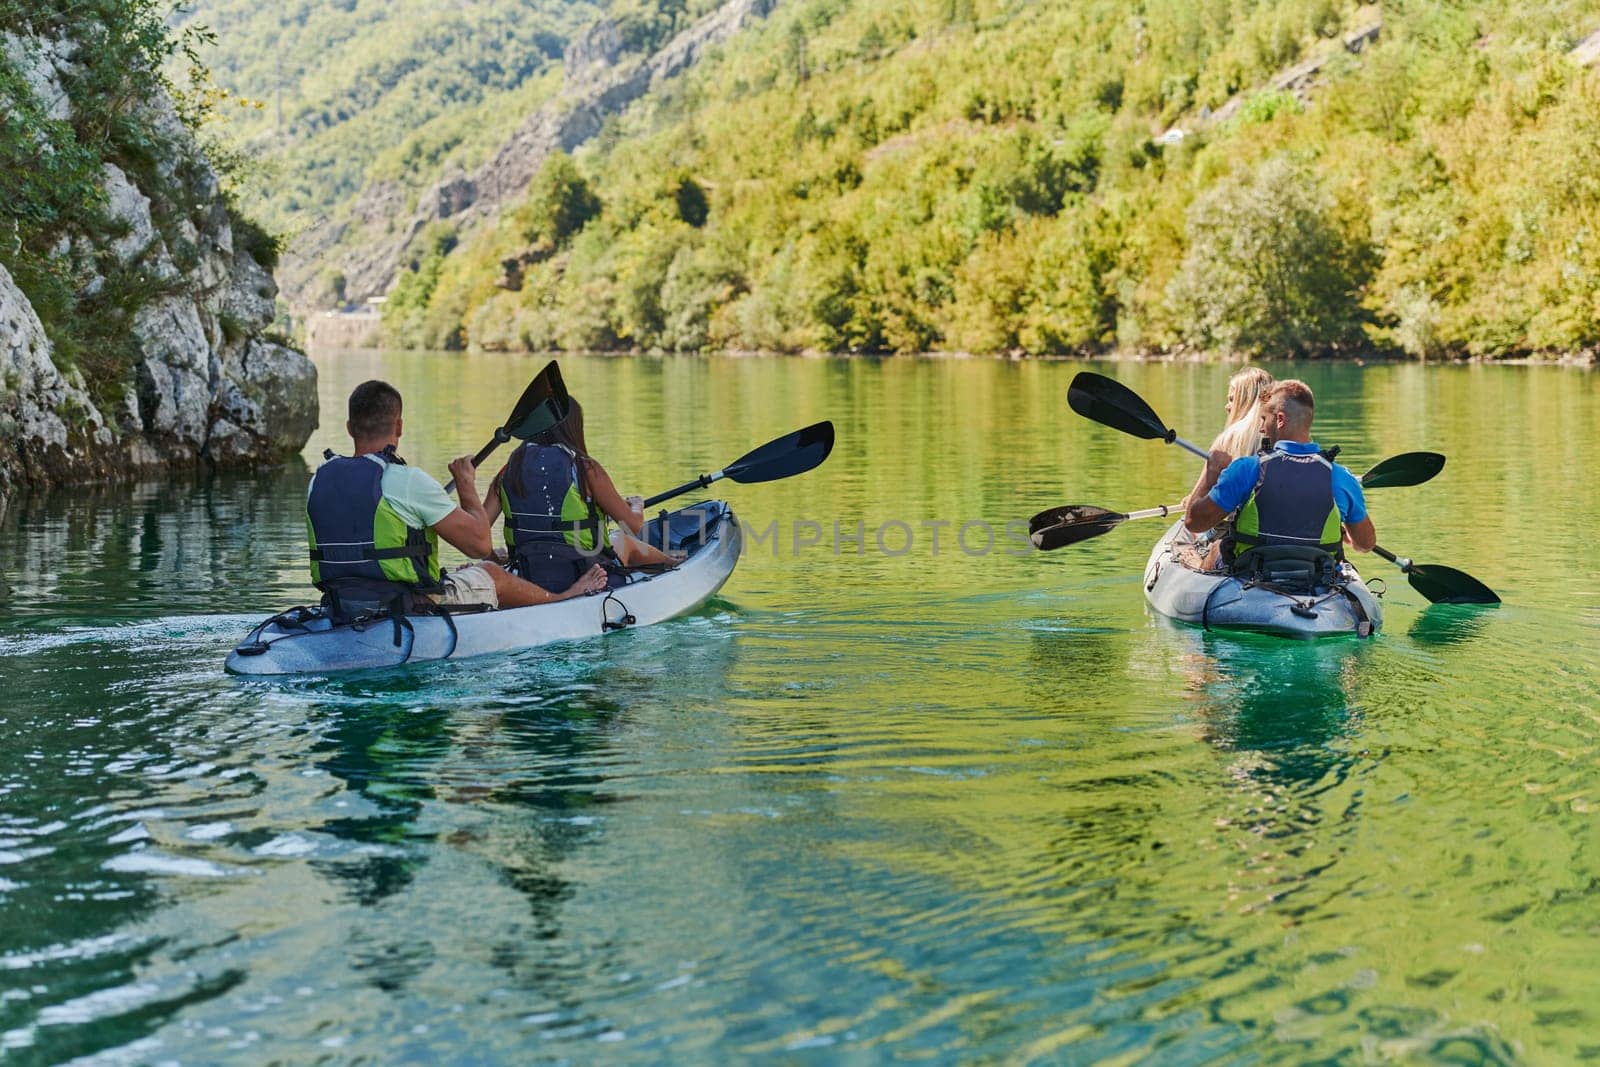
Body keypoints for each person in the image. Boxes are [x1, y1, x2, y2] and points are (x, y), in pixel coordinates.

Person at [305, 380, 606, 618]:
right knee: (491, 572)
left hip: (340, 604)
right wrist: (466, 485)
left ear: (349, 428)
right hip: (408, 604)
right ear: (399, 426)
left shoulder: (319, 479)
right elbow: (480, 545)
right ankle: (563, 599)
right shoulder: (407, 480)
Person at [484, 373, 681, 594]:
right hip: (588, 572)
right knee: (623, 539)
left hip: (528, 572)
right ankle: (677, 565)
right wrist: (636, 505)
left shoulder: (507, 472)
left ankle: (673, 562)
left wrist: (494, 558)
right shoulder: (586, 469)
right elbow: (633, 526)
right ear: (572, 428)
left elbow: (478, 534)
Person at [1183, 379, 1376, 572]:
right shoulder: (1342, 478)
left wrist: (1211, 474)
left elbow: (1195, 523)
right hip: (1316, 577)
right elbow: (1365, 544)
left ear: (1280, 419)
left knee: (1218, 547)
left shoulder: (1246, 469)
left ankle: (1196, 565)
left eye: (1264, 419)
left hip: (1253, 573)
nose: (1261, 429)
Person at [1181, 366, 1274, 512]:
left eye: (1232, 399)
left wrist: (1192, 500)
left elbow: (1194, 508)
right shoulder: (1282, 433)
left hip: (1237, 526)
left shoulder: (1228, 439)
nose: (1227, 406)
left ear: (1245, 400)